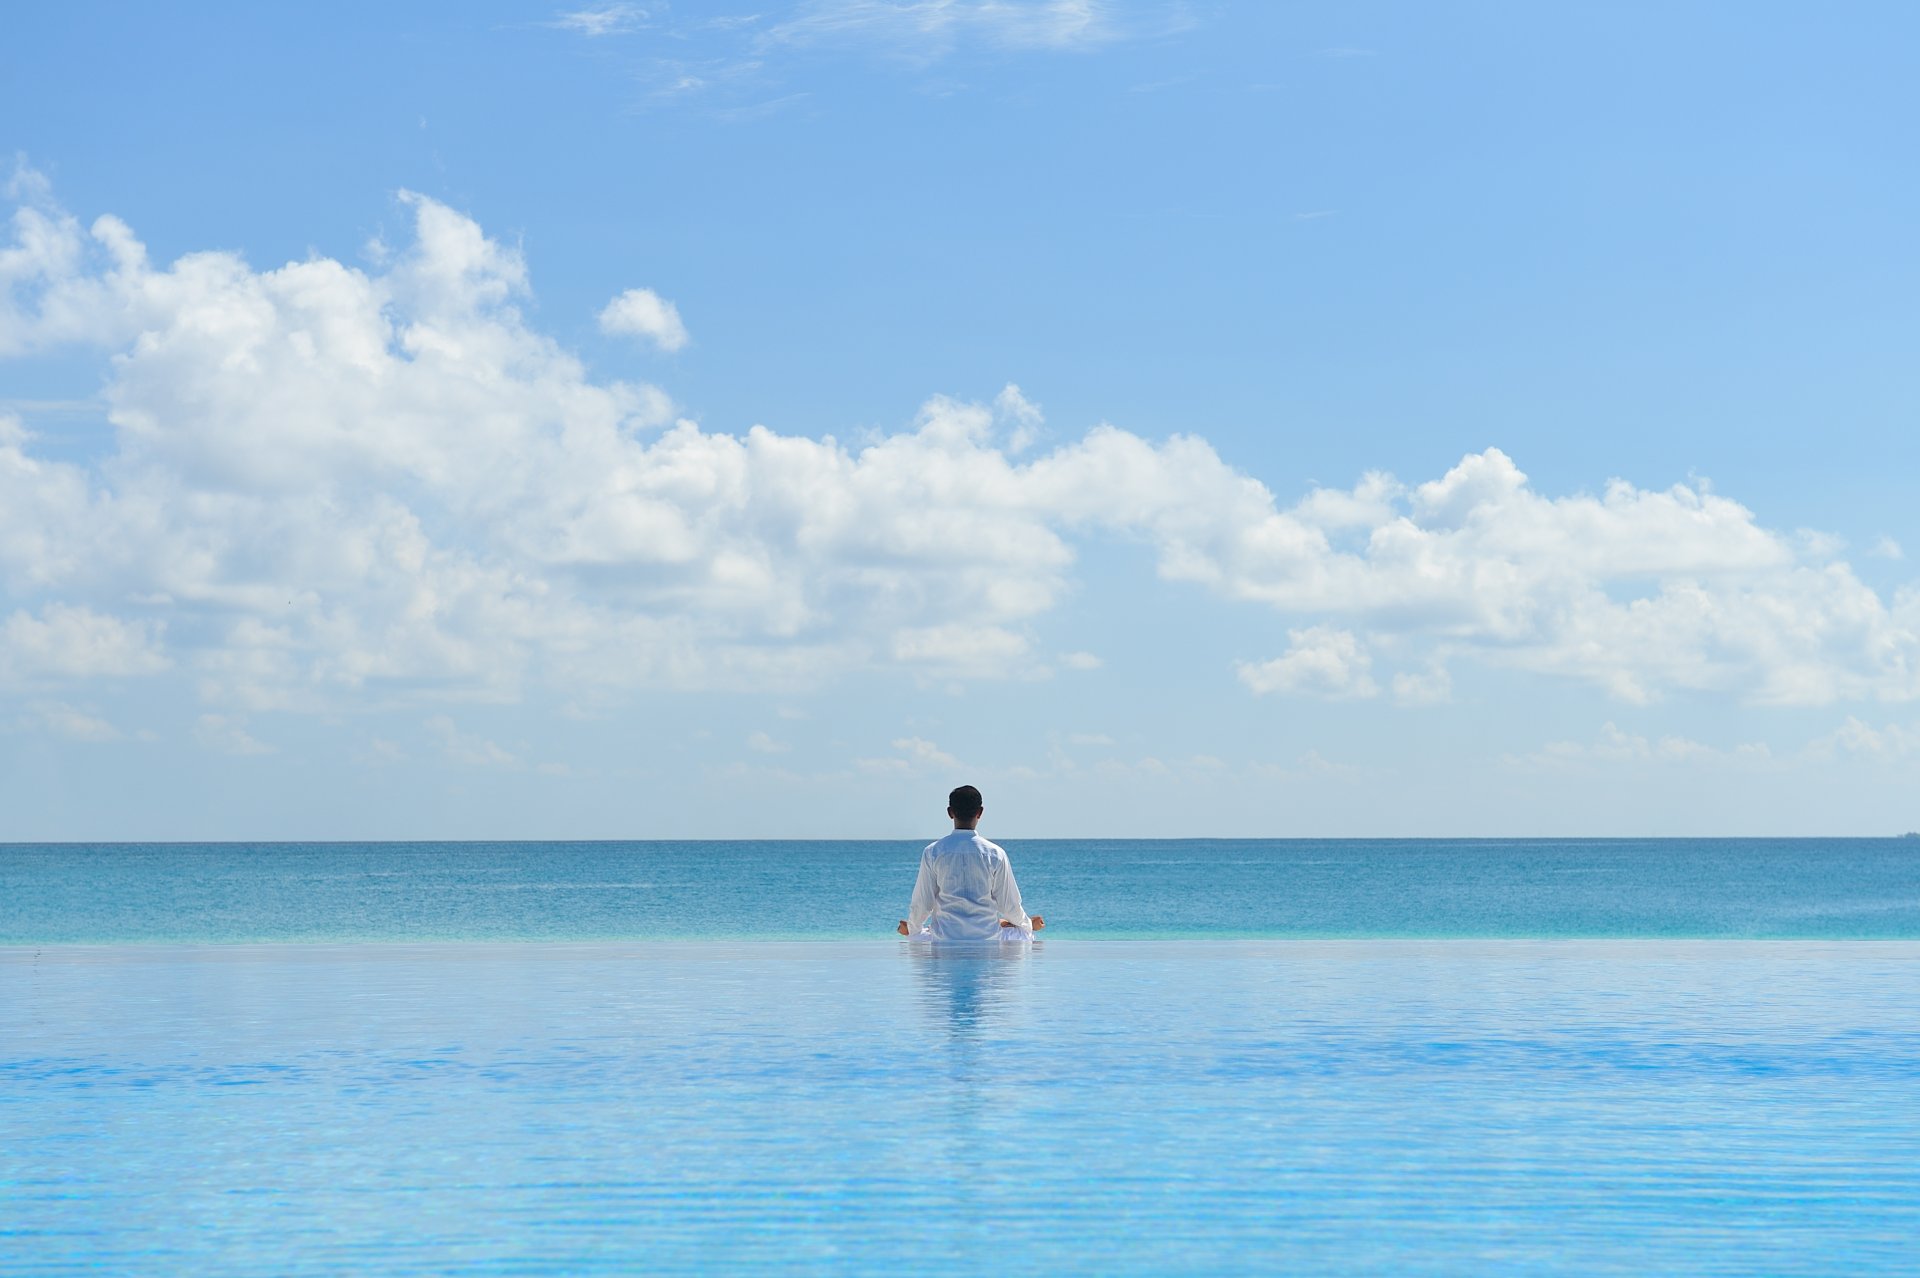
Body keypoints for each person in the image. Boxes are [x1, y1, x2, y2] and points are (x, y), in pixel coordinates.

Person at [896, 785, 1045, 941]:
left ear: (950, 812)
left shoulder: (933, 852)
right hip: (988, 939)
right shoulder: (995, 854)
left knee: (916, 935)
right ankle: (1004, 924)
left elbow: (923, 904)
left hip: (946, 939)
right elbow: (1009, 906)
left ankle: (921, 929)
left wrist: (913, 928)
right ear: (980, 812)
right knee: (1026, 934)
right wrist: (1027, 924)